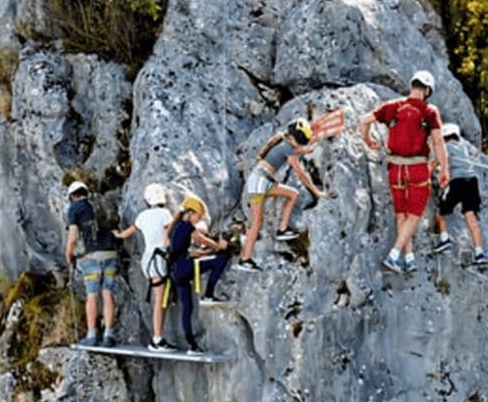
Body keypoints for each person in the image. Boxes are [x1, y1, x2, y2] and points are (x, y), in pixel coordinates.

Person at [359, 70, 450, 274]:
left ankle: (409, 259)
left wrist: (367, 140)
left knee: (402, 214)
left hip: (395, 168)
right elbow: (438, 142)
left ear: (412, 86)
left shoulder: (393, 106)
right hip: (417, 169)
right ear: (427, 91)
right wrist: (445, 169)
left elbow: (364, 121)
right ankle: (394, 255)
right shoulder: (430, 111)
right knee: (414, 215)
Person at [237, 118, 331, 272]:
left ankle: (281, 230)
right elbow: (300, 173)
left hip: (260, 179)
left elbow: (295, 150)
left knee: (292, 194)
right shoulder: (288, 148)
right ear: (296, 139)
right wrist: (316, 191)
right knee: (257, 222)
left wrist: (305, 150)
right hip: (261, 182)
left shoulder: (284, 141)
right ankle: (245, 258)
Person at [114, 183, 177, 352]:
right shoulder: (165, 214)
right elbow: (170, 231)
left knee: (160, 299)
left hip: (148, 259)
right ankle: (157, 339)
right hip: (159, 259)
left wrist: (116, 234)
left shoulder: (142, 216)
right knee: (159, 300)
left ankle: (158, 337)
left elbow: (125, 234)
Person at [168, 194, 230, 354]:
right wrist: (218, 246)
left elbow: (180, 250)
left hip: (176, 272)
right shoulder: (187, 226)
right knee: (221, 258)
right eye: (198, 216)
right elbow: (201, 238)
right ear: (190, 212)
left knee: (187, 308)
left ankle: (192, 346)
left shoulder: (176, 226)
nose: (198, 219)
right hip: (184, 267)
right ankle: (209, 293)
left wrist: (203, 252)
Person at [65, 180, 120, 347]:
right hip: (111, 253)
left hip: (92, 257)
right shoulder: (99, 205)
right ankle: (109, 335)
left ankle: (92, 335)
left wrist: (68, 255)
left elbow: (73, 237)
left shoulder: (75, 208)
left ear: (73, 196)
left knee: (92, 295)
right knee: (107, 293)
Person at [433, 123, 488, 265]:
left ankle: (444, 239)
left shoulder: (445, 147)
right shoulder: (462, 147)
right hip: (472, 182)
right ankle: (479, 252)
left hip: (457, 182)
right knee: (470, 216)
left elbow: (437, 163)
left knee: (440, 212)